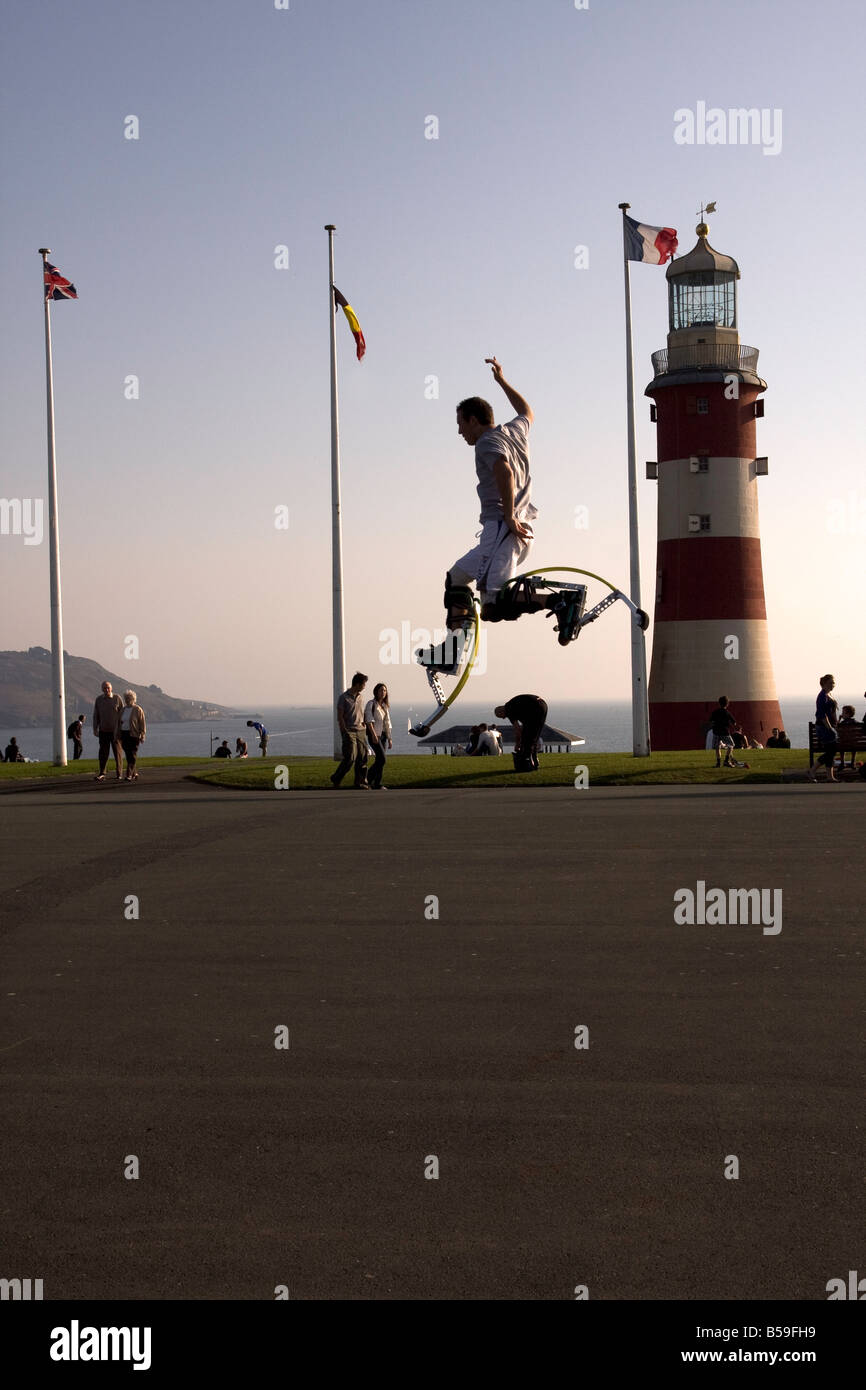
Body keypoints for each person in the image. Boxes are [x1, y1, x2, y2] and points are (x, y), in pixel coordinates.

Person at [445, 357, 537, 630]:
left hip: (503, 528)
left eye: (461, 423)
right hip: (516, 529)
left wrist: (508, 516)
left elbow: (505, 472)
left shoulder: (486, 443)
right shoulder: (514, 432)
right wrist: (502, 381)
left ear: (474, 420)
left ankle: (562, 602)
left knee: (494, 606)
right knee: (456, 579)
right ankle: (451, 652)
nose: (459, 430)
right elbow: (527, 411)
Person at [331, 672, 370, 789]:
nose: (364, 687)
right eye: (364, 684)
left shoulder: (361, 697)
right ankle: (336, 778)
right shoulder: (343, 698)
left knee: (362, 757)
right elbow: (340, 717)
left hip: (361, 730)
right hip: (349, 731)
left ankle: (360, 782)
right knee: (350, 757)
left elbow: (361, 712)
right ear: (357, 684)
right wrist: (344, 731)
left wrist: (364, 723)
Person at [494, 694, 548, 772]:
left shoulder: (509, 709)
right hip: (543, 705)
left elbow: (518, 730)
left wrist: (517, 744)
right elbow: (523, 727)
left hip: (534, 708)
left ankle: (528, 764)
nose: (503, 718)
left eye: (501, 716)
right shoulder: (514, 705)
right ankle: (535, 761)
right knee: (534, 737)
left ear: (501, 710)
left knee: (527, 740)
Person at [92, 680, 124, 782]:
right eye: (104, 688)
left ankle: (119, 773)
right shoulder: (99, 700)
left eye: (108, 688)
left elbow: (122, 714)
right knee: (103, 753)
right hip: (103, 731)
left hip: (115, 732)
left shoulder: (117, 698)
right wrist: (95, 728)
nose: (106, 690)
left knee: (117, 753)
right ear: (102, 689)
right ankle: (102, 773)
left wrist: (121, 729)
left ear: (111, 688)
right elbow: (96, 715)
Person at [809, 673, 839, 782]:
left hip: (831, 726)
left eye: (833, 683)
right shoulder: (822, 696)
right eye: (830, 683)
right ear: (824, 683)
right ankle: (812, 771)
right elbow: (822, 715)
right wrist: (830, 728)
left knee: (831, 751)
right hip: (824, 727)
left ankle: (829, 776)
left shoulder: (829, 694)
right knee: (830, 751)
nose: (833, 685)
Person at [364, 682, 392, 789]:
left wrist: (389, 738)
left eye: (385, 690)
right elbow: (369, 720)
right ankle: (367, 778)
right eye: (381, 690)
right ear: (376, 691)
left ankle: (377, 784)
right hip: (374, 735)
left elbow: (387, 723)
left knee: (380, 760)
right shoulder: (371, 704)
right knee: (382, 759)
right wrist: (373, 735)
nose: (383, 692)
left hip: (384, 736)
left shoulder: (385, 706)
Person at [118, 690, 146, 781]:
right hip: (124, 734)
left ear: (133, 699)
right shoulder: (123, 710)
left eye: (129, 698)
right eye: (126, 698)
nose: (127, 700)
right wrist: (117, 734)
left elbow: (142, 723)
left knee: (132, 754)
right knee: (128, 754)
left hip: (134, 734)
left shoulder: (138, 709)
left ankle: (129, 774)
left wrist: (142, 735)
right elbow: (119, 723)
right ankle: (135, 773)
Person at [708, 696, 738, 769]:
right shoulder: (727, 712)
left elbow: (711, 721)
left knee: (717, 747)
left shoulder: (715, 712)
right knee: (731, 745)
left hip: (716, 732)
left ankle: (718, 763)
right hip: (725, 732)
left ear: (719, 703)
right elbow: (734, 723)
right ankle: (726, 761)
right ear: (727, 704)